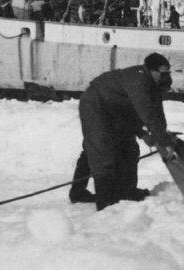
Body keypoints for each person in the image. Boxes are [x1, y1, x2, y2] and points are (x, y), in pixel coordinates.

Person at [76, 53, 178, 210]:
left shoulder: (154, 84)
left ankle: (126, 191)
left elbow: (157, 113)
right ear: (151, 70)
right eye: (162, 73)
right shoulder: (138, 81)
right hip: (96, 105)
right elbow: (147, 114)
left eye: (168, 73)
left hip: (117, 109)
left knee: (129, 148)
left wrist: (157, 135)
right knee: (100, 149)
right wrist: (162, 142)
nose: (165, 77)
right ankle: (103, 199)